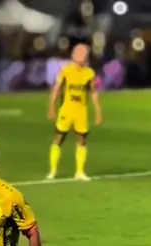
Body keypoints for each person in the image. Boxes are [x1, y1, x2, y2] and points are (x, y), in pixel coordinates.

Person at [48, 44, 103, 181]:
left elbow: (93, 92)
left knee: (82, 140)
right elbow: (57, 88)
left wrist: (98, 111)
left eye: (83, 53)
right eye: (78, 53)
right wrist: (51, 106)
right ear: (73, 55)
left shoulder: (89, 73)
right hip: (66, 110)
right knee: (59, 138)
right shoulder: (66, 70)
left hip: (81, 111)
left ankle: (79, 172)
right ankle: (53, 171)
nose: (81, 56)